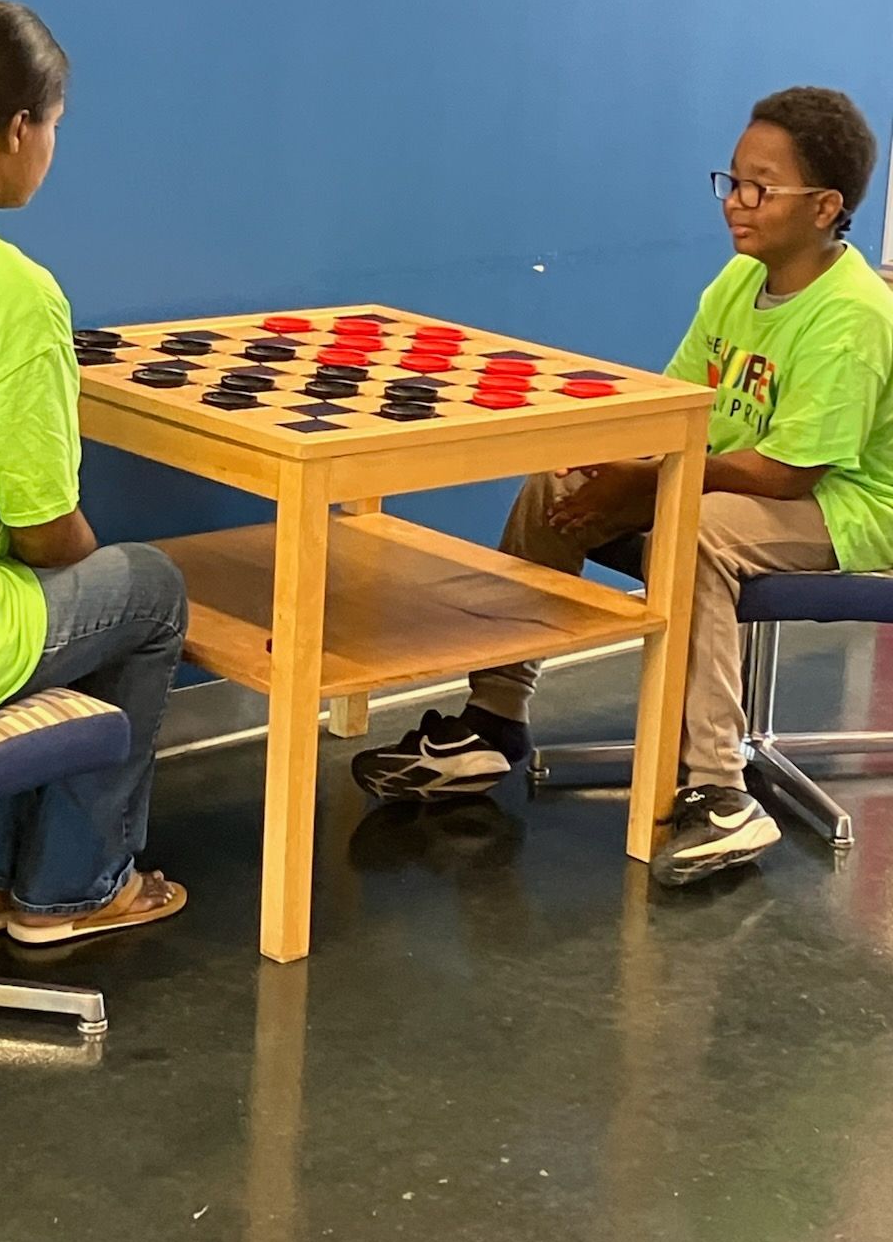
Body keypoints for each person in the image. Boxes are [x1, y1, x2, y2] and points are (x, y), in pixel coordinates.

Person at [353, 86, 893, 887]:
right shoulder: (738, 285)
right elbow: (670, 410)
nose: (736, 204)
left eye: (759, 187)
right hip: (740, 486)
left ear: (824, 207)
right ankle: (494, 722)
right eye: (732, 181)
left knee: (699, 531)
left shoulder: (853, 316)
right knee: (553, 487)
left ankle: (719, 787)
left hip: (841, 510)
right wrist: (604, 460)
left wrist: (645, 489)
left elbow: (790, 472)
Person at [0, 0, 188, 942]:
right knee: (145, 589)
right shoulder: (9, 292)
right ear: (16, 128)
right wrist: (87, 563)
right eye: (54, 127)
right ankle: (78, 888)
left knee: (17, 588)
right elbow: (43, 528)